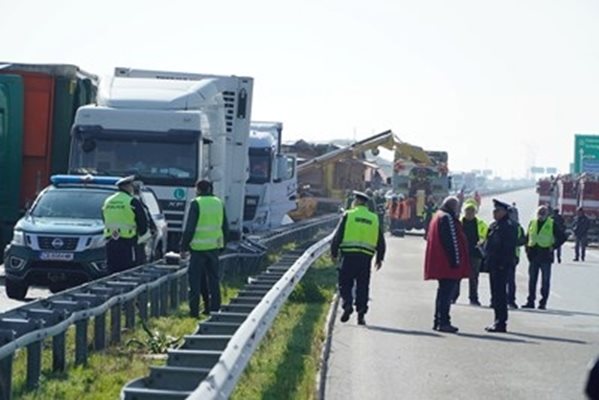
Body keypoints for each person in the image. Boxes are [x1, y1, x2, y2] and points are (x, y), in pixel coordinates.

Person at [331, 191, 386, 325]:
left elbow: (338, 235)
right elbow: (380, 240)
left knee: (345, 283)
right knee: (363, 285)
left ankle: (347, 305)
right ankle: (361, 313)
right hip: (365, 258)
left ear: (356, 201)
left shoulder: (348, 215)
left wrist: (333, 252)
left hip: (349, 256)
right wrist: (380, 258)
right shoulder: (374, 218)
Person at [180, 180, 229, 317]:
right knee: (213, 280)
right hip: (214, 247)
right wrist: (223, 245)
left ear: (198, 189)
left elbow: (190, 228)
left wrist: (183, 247)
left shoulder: (196, 203)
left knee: (195, 281)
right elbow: (225, 226)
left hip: (198, 248)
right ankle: (214, 309)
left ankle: (194, 311)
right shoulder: (219, 202)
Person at [424, 196, 470, 333]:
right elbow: (451, 242)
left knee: (442, 293)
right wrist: (456, 261)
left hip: (441, 262)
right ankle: (443, 321)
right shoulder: (447, 218)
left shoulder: (438, 216)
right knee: (446, 294)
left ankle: (438, 321)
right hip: (447, 264)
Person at [522, 206, 567, 310]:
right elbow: (528, 237)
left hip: (545, 255)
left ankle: (543, 302)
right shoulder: (532, 222)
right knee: (532, 280)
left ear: (547, 214)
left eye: (543, 213)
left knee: (545, 281)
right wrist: (527, 248)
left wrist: (554, 246)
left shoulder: (552, 223)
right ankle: (530, 301)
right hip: (533, 255)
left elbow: (563, 237)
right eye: (539, 213)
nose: (541, 215)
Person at [102, 175, 149, 273]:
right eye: (131, 185)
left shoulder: (108, 201)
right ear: (127, 187)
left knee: (112, 271)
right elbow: (142, 221)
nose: (132, 188)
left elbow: (104, 218)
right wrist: (141, 233)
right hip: (128, 242)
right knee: (128, 271)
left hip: (110, 241)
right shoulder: (131, 201)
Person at [483, 199, 518, 332]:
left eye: (497, 210)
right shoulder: (494, 225)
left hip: (501, 265)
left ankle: (501, 322)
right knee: (495, 294)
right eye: (494, 210)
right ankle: (497, 320)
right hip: (493, 264)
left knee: (500, 294)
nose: (494, 213)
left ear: (504, 212)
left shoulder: (508, 226)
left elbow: (508, 248)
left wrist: (503, 264)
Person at [453, 199, 487, 306]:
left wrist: (482, 242)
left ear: (475, 212)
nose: (470, 212)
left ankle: (473, 298)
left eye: (472, 210)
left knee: (474, 277)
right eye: (468, 210)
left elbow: (486, 237)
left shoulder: (481, 224)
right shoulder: (459, 223)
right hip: (461, 253)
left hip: (475, 254)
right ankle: (453, 297)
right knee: (457, 276)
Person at [507, 206, 526, 309]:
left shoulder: (518, 227)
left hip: (513, 256)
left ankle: (511, 300)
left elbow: (523, 240)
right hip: (502, 255)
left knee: (510, 279)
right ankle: (501, 299)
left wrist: (514, 243)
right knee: (502, 280)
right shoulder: (503, 225)